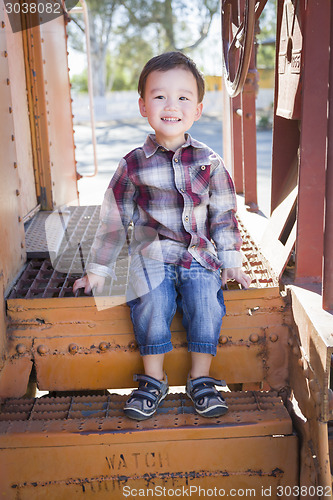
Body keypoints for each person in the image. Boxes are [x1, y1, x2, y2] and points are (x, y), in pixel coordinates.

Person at [73, 51, 251, 421]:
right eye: (159, 97)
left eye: (183, 97)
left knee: (206, 303)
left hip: (199, 255)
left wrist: (232, 261)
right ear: (143, 105)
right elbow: (113, 218)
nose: (172, 106)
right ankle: (152, 380)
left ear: (198, 109)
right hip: (150, 256)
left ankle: (200, 379)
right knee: (151, 303)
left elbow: (223, 214)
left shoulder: (209, 161)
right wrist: (99, 270)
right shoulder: (133, 163)